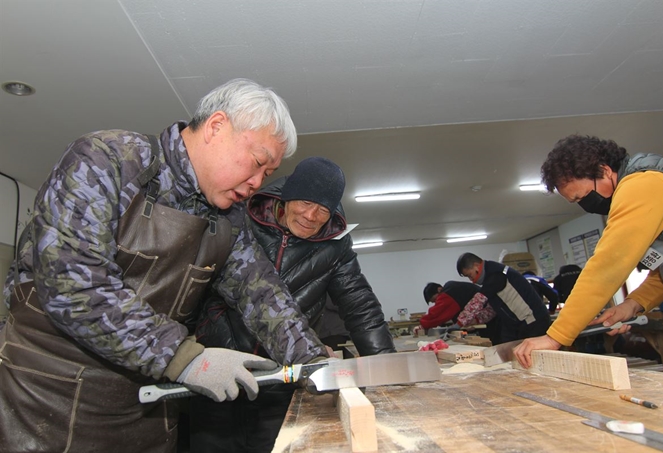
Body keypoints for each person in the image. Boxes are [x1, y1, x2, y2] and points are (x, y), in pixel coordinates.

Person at [0, 79, 329, 453]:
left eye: (267, 175)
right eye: (257, 163)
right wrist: (182, 357)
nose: (257, 183)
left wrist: (313, 361)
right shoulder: (105, 159)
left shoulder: (229, 217)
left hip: (145, 402)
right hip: (46, 399)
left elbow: (262, 292)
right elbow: (73, 286)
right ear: (217, 127)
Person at [191, 156, 396, 452]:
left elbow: (360, 306)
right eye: (304, 203)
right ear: (286, 198)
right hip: (221, 372)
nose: (311, 216)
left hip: (283, 379)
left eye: (323, 210)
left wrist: (386, 369)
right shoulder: (240, 219)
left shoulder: (335, 247)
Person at [514, 134, 663, 368]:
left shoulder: (643, 186)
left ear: (603, 170)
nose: (585, 205)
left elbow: (607, 266)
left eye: (583, 197)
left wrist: (555, 337)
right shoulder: (644, 188)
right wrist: (631, 305)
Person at [456, 253, 552, 344]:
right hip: (516, 323)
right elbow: (492, 309)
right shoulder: (490, 279)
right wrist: (476, 320)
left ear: (476, 265)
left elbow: (477, 301)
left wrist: (459, 324)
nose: (471, 279)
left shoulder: (496, 274)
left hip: (533, 321)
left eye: (469, 275)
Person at [415, 281, 496, 334]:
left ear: (439, 289)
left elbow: (437, 313)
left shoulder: (449, 291)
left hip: (491, 319)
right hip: (487, 317)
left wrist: (423, 324)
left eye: (435, 300)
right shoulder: (452, 289)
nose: (436, 303)